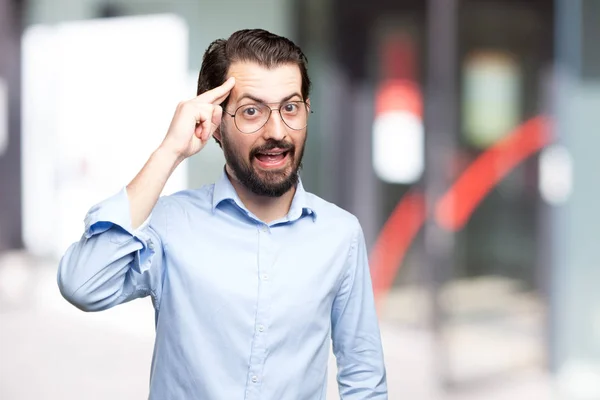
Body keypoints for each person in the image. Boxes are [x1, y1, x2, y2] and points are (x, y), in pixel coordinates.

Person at [57, 28, 387, 399]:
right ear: (214, 125)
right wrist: (169, 152)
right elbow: (82, 284)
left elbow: (363, 375)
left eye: (290, 108)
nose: (276, 131)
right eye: (251, 111)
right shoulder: (169, 224)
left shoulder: (340, 234)